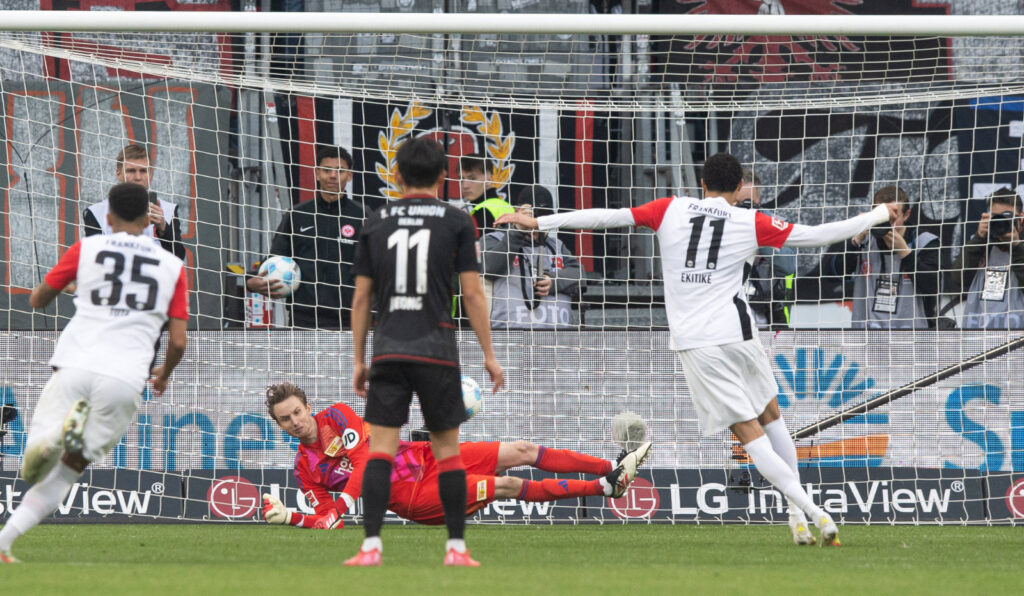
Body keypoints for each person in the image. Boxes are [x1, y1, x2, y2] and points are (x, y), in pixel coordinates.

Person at [498, 152, 903, 547]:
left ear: (702, 184)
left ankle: (812, 511)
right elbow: (816, 236)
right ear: (740, 187)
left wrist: (539, 221)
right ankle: (797, 516)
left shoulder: (669, 209)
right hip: (740, 333)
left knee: (749, 433)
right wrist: (877, 215)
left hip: (698, 342)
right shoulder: (751, 220)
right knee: (772, 417)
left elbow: (608, 216)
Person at [0, 183, 188, 563]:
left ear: (109, 217)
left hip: (76, 363)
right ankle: (6, 540)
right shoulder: (172, 266)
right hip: (125, 377)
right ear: (150, 217)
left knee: (34, 465)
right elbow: (179, 341)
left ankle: (52, 436)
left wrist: (75, 284)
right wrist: (164, 374)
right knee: (69, 470)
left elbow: (37, 300)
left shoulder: (87, 248)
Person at [347, 137, 504, 567]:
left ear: (396, 176)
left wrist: (360, 358)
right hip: (437, 348)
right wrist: (488, 354)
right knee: (448, 452)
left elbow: (361, 300)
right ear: (441, 177)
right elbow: (472, 293)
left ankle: (370, 547)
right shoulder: (456, 221)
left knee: (381, 450)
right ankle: (456, 549)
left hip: (390, 348)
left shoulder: (376, 221)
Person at [259, 384, 650, 530]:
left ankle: (610, 469)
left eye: (297, 412)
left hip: (427, 456)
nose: (294, 421)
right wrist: (291, 517)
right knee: (506, 485)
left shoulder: (339, 414)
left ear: (308, 406)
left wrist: (342, 503)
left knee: (523, 451)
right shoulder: (305, 470)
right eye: (285, 419)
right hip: (416, 497)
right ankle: (604, 487)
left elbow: (364, 461)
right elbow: (330, 523)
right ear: (279, 426)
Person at [246, 146, 365, 329]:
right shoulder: (297, 214)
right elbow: (276, 257)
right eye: (327, 170)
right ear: (317, 174)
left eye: (340, 170)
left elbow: (376, 265)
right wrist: (250, 281)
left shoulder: (363, 216)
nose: (333, 175)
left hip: (351, 317)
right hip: (304, 317)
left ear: (349, 176)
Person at [823, 186, 940, 329]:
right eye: (883, 215)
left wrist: (905, 252)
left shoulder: (924, 241)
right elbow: (832, 275)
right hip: (866, 333)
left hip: (912, 334)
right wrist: (855, 240)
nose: (888, 220)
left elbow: (933, 286)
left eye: (894, 215)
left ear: (906, 215)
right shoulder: (864, 240)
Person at [482, 187, 583, 329]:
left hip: (557, 339)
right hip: (508, 337)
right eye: (533, 216)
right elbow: (489, 267)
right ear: (517, 212)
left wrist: (554, 281)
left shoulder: (557, 245)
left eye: (544, 217)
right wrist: (517, 230)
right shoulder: (494, 239)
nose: (537, 222)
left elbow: (580, 275)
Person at [83, 144, 187, 260]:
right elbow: (92, 259)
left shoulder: (167, 210)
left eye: (143, 171)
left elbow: (178, 257)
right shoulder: (97, 212)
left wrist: (163, 228)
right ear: (119, 173)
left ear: (150, 174)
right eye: (131, 171)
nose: (138, 177)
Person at [947, 188, 1024, 329]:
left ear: (1020, 218)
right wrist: (979, 238)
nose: (1001, 222)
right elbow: (958, 278)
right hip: (977, 334)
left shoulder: (1021, 246)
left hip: (1017, 338)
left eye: (1006, 216)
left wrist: (1016, 247)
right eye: (996, 217)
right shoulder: (982, 244)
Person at [738, 170, 797, 329]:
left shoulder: (776, 223)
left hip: (769, 315)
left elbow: (787, 265)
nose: (743, 208)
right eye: (738, 203)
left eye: (748, 203)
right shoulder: (722, 224)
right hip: (731, 314)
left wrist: (757, 229)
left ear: (758, 199)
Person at [459, 153, 514, 236]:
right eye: (461, 179)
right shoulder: (504, 205)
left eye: (472, 178)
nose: (465, 185)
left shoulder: (483, 211)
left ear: (489, 179)